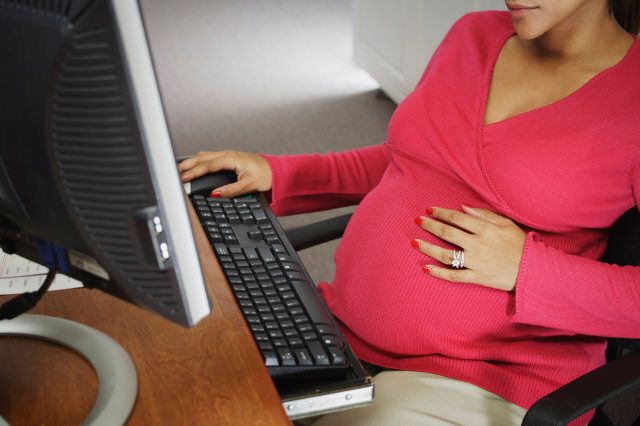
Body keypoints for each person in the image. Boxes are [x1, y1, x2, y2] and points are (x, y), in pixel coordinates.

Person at [179, 0, 640, 424]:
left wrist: (527, 269)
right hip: (338, 333)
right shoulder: (474, 33)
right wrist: (281, 174)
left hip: (480, 378)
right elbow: (412, 155)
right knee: (188, 383)